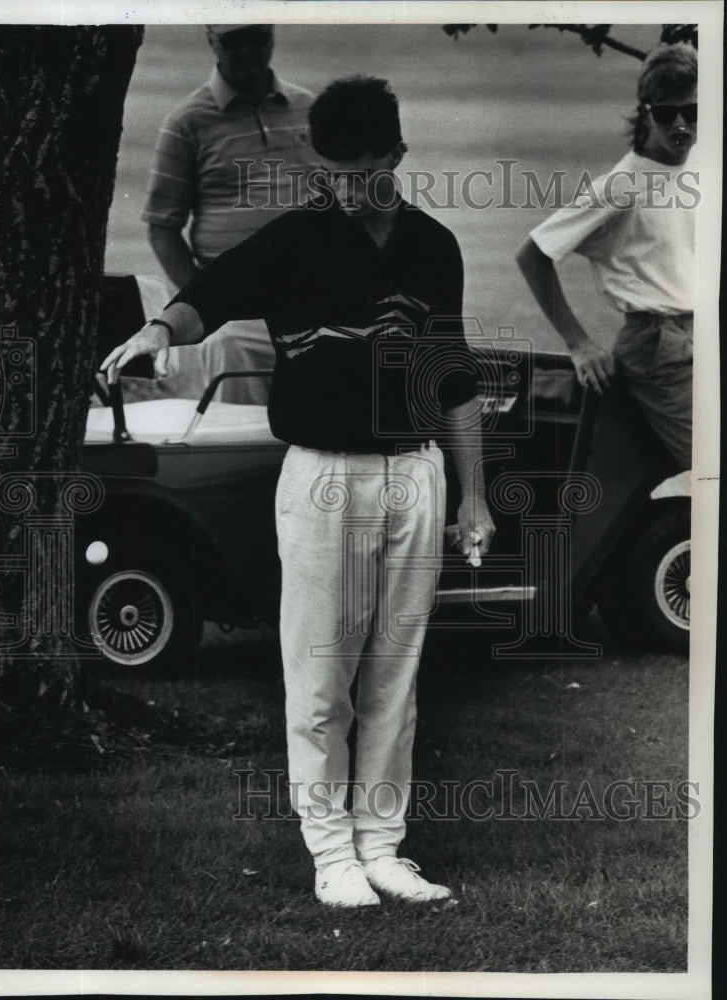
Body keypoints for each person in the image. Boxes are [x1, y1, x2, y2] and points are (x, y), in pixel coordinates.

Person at [104, 76, 495, 908]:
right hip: (323, 475)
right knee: (320, 672)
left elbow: (455, 382)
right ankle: (331, 855)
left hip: (417, 473)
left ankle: (384, 846)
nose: (347, 191)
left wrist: (473, 499)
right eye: (333, 174)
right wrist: (152, 331)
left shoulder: (435, 247)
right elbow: (204, 298)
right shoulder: (294, 242)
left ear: (396, 155)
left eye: (362, 172)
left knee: (396, 670)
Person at [516, 43, 697, 471]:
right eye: (666, 113)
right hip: (659, 347)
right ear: (645, 111)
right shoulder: (622, 185)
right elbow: (533, 255)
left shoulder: (697, 165)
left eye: (693, 112)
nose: (681, 125)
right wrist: (579, 342)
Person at [142, 23, 316, 402]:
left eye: (258, 38)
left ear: (273, 37)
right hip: (236, 303)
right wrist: (203, 300)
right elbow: (162, 226)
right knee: (229, 341)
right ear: (211, 41)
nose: (248, 50)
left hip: (313, 292)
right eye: (235, 41)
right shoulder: (186, 122)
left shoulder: (310, 110)